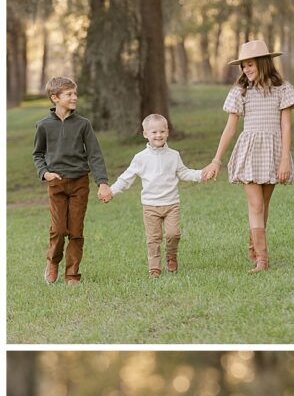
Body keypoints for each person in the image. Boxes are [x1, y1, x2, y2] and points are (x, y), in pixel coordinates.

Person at [205, 39, 294, 272]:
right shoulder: (241, 91)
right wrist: (217, 159)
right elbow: (230, 128)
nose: (246, 69)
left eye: (250, 64)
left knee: (263, 205)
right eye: (243, 66)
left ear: (262, 63)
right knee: (255, 204)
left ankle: (254, 247)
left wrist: (284, 160)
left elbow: (286, 126)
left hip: (273, 151)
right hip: (249, 151)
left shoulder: (283, 89)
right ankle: (262, 261)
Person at [106, 114, 213, 277]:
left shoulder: (173, 155)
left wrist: (201, 175)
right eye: (154, 132)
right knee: (153, 238)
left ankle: (171, 255)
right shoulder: (140, 158)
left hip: (171, 204)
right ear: (145, 134)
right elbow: (126, 178)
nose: (158, 135)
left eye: (162, 131)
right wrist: (112, 191)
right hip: (150, 206)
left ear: (167, 132)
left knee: (173, 234)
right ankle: (154, 268)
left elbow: (183, 173)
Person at [32, 76, 112, 286]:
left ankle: (72, 274)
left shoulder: (83, 124)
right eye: (69, 94)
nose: (74, 97)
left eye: (75, 93)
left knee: (76, 231)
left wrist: (102, 183)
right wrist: (45, 173)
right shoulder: (43, 126)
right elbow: (38, 154)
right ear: (55, 98)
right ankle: (52, 261)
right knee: (58, 230)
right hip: (56, 183)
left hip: (79, 183)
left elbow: (95, 155)